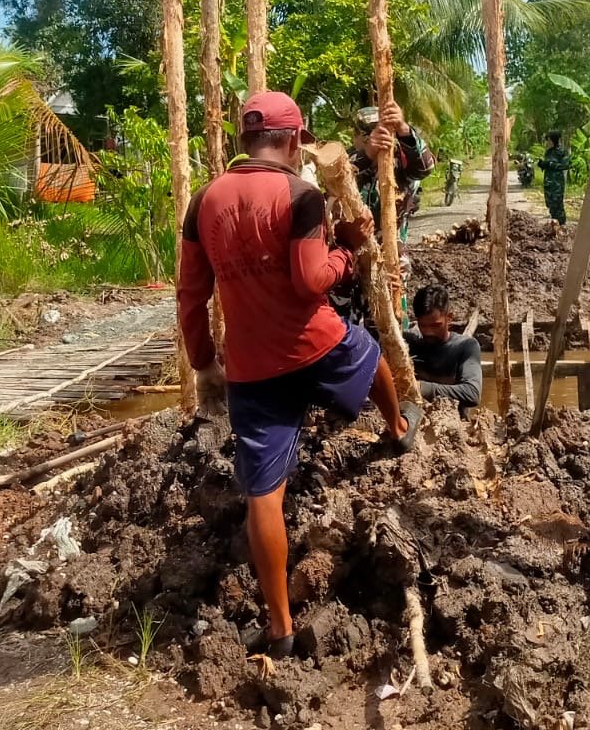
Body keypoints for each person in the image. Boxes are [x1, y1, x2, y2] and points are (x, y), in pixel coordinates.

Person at [178, 91, 423, 657]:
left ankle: (280, 628)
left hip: (251, 367)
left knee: (263, 494)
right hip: (314, 343)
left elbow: (191, 293)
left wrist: (203, 361)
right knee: (370, 354)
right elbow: (311, 281)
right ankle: (397, 428)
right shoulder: (300, 194)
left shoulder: (203, 201)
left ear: (246, 141)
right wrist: (347, 251)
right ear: (291, 140)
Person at [351, 102, 435, 243]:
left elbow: (425, 168)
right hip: (353, 248)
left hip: (393, 247)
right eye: (368, 136)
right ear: (355, 137)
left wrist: (404, 131)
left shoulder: (399, 161)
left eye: (384, 134)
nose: (379, 141)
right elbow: (337, 183)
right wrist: (367, 155)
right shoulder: (347, 161)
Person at [402, 285, 483, 415]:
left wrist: (422, 388)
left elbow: (472, 393)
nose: (428, 332)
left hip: (451, 421)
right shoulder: (408, 343)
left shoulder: (465, 347)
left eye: (435, 325)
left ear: (449, 318)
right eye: (423, 325)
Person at [540, 131, 571, 225]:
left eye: (549, 140)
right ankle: (555, 224)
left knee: (558, 205)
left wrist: (551, 164)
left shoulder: (562, 152)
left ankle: (562, 224)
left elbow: (565, 165)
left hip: (557, 184)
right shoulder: (548, 152)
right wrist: (543, 164)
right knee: (550, 205)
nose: (547, 143)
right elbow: (548, 165)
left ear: (554, 140)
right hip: (548, 183)